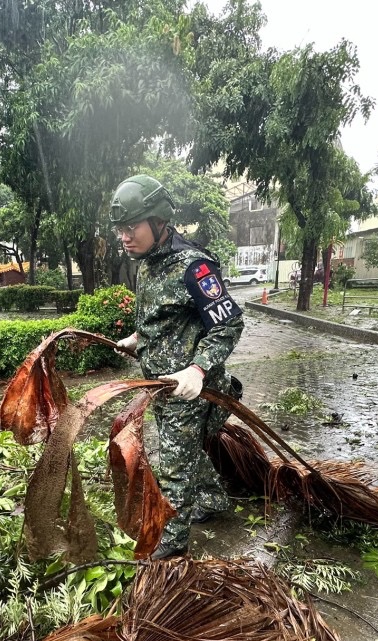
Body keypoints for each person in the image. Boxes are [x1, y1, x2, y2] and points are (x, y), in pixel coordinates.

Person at [110, 174, 244, 560]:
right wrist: (139, 338)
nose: (125, 236)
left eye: (131, 227)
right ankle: (215, 498)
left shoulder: (194, 267)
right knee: (183, 451)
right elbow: (161, 316)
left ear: (158, 221)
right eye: (121, 229)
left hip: (191, 390)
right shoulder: (147, 263)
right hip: (162, 387)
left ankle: (171, 544)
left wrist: (198, 369)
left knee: (172, 467)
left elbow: (228, 323)